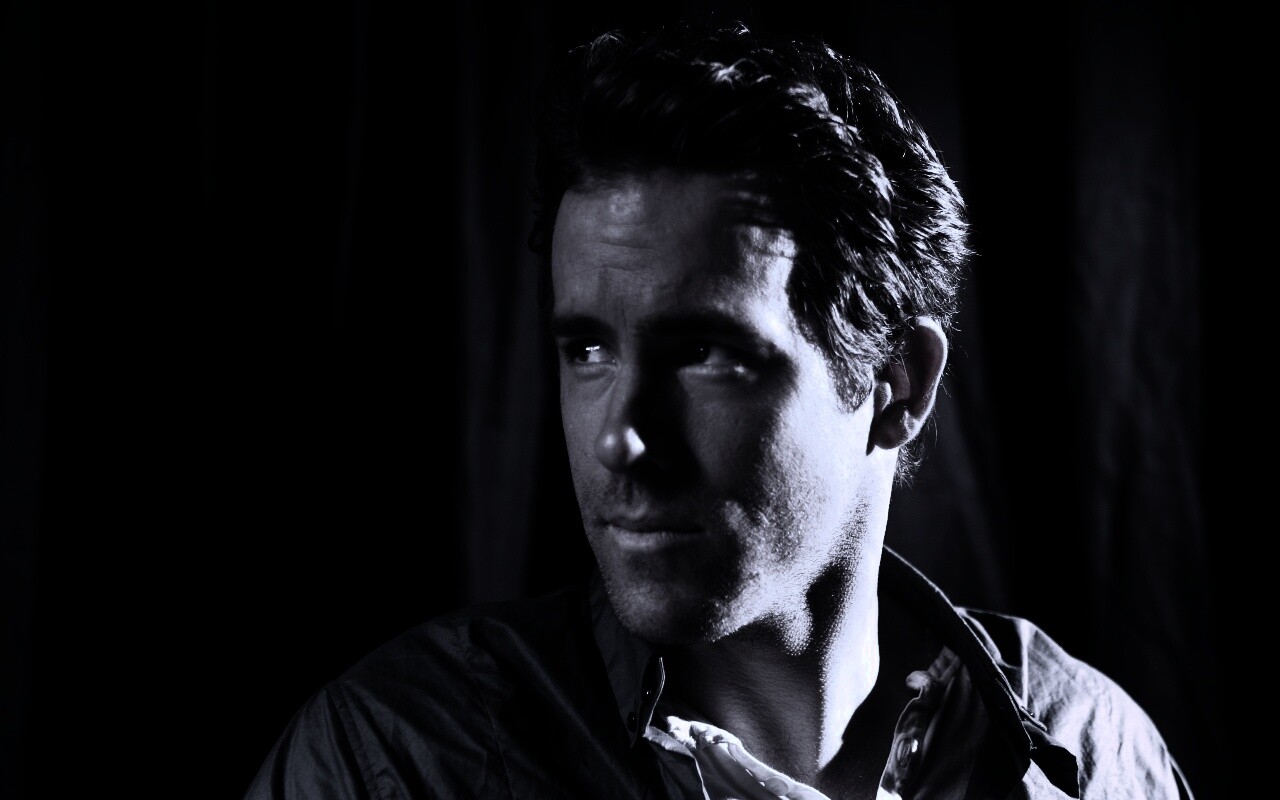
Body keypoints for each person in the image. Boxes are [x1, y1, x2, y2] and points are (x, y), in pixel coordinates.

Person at [243, 23, 1195, 800]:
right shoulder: (394, 762)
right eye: (588, 349)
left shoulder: (1093, 755)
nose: (619, 437)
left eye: (706, 354)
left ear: (897, 383)